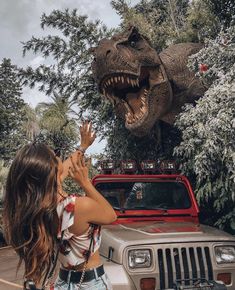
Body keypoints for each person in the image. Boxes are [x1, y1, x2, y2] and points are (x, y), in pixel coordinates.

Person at [3, 121, 117, 290]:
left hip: (62, 283)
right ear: (52, 169)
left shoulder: (42, 208)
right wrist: (85, 182)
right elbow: (111, 215)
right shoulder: (79, 206)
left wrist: (83, 146)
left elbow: (65, 168)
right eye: (55, 155)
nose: (59, 157)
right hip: (89, 283)